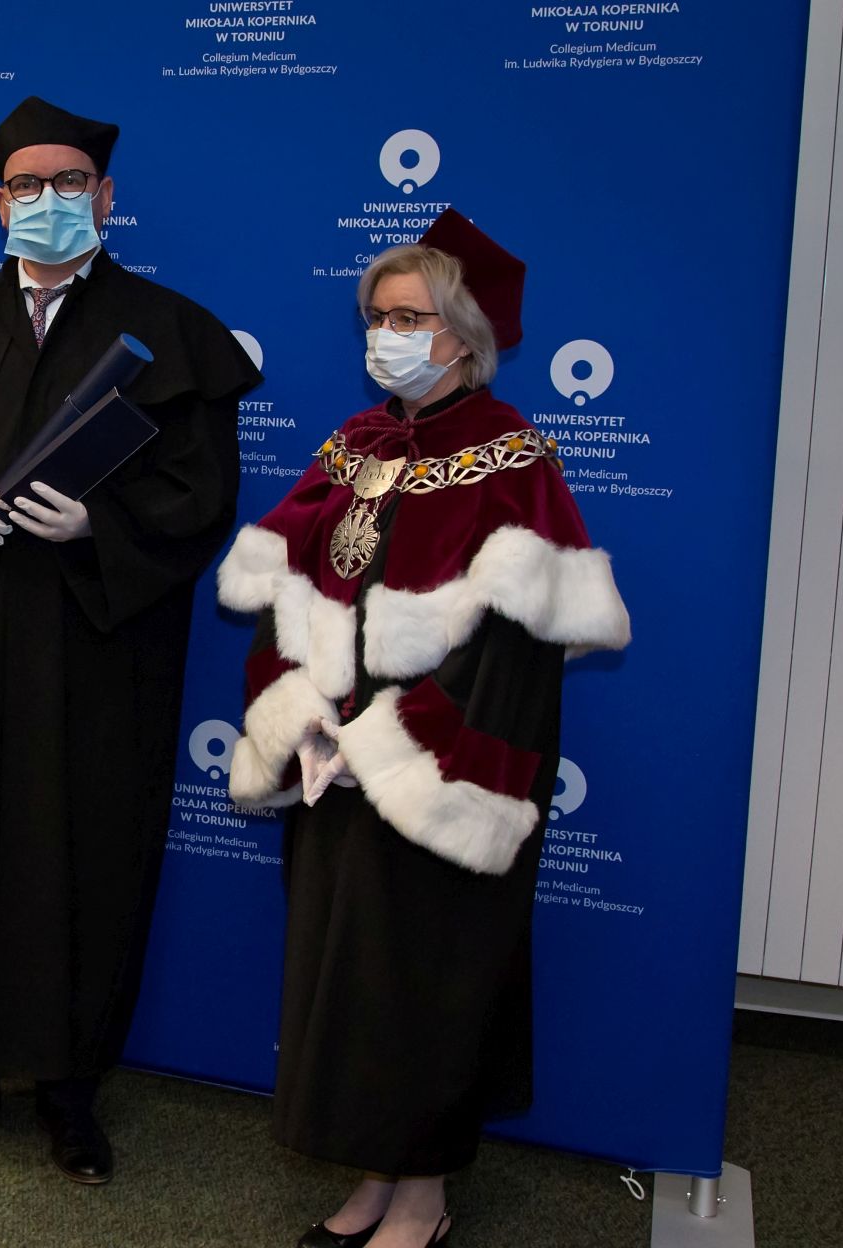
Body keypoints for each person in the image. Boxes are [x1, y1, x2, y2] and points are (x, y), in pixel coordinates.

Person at [0, 95, 260, 1184]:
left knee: (92, 852)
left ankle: (73, 1090)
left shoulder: (174, 332)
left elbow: (204, 490)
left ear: (106, 197)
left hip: (100, 647)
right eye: (27, 185)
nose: (48, 200)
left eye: (69, 182)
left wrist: (100, 527)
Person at [217, 210, 630, 1247]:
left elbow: (513, 655)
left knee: (424, 979)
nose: (387, 334)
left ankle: (424, 1199)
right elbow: (284, 585)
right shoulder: (354, 445)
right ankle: (374, 1175)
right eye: (377, 316)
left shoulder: (511, 459)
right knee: (347, 974)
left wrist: (390, 743)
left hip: (434, 774)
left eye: (411, 317)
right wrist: (304, 718)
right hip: (332, 765)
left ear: (465, 333)